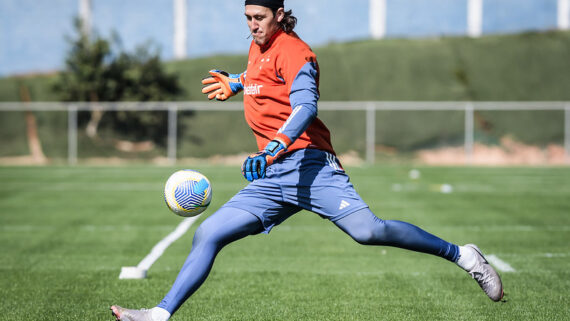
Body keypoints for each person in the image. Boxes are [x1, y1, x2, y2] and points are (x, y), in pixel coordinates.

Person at [111, 1, 503, 320]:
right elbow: (260, 78)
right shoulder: (257, 47)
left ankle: (463, 255)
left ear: (279, 15)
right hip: (272, 175)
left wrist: (273, 146)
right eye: (247, 18)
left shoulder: (298, 52)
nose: (252, 25)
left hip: (311, 166)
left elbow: (305, 105)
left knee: (368, 232)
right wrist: (237, 81)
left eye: (260, 18)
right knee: (208, 234)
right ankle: (159, 315)